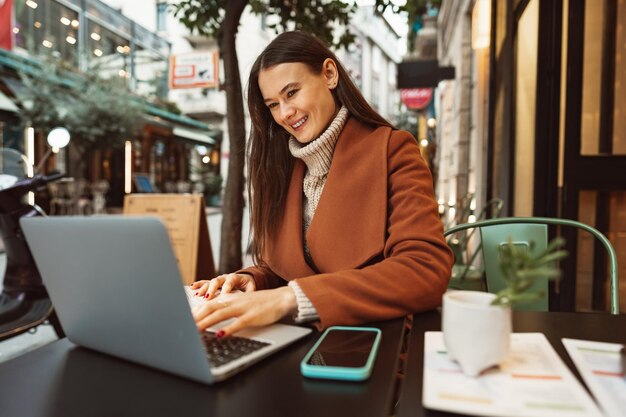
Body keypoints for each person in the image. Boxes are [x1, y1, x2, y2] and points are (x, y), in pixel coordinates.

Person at [190, 31, 453, 337]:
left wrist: (294, 296)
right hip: (295, 343)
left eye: (291, 93)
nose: (285, 114)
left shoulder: (392, 150)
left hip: (372, 348)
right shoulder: (281, 167)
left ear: (329, 74)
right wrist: (254, 279)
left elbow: (426, 270)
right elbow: (291, 267)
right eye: (273, 105)